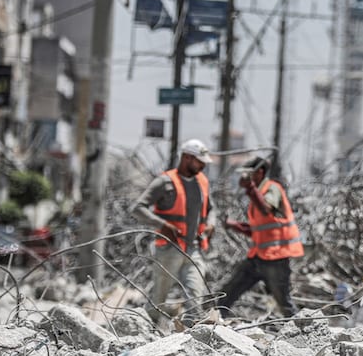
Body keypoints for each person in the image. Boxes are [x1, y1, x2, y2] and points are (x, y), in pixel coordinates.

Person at [130, 138, 216, 324]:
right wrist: (162, 225)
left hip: (193, 249)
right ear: (186, 158)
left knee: (195, 296)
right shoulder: (165, 182)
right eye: (199, 162)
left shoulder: (202, 182)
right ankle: (147, 329)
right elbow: (138, 208)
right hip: (169, 250)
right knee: (158, 299)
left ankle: (194, 336)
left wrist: (211, 223)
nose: (202, 166)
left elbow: (211, 209)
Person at [219, 155, 303, 317]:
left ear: (260, 172)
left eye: (249, 173)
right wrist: (234, 225)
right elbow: (258, 229)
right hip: (258, 257)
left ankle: (302, 332)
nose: (246, 177)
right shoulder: (257, 194)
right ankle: (214, 322)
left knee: (283, 302)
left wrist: (250, 188)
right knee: (229, 291)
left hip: (276, 259)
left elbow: (266, 208)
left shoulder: (272, 188)